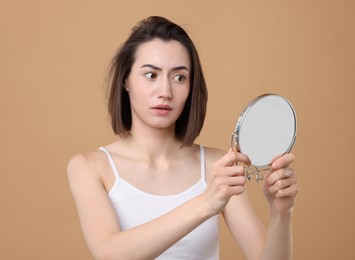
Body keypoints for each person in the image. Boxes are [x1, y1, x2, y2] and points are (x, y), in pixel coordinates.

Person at [67, 16, 299, 260]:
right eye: (150, 75)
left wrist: (281, 214)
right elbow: (110, 253)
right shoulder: (90, 166)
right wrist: (206, 203)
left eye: (179, 77)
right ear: (126, 80)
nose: (165, 92)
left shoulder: (218, 166)